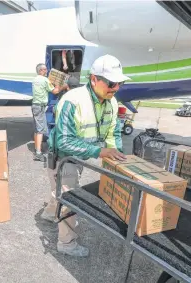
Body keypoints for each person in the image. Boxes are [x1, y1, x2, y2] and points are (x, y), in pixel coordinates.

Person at [41, 54, 129, 257]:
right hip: (63, 158)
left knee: (58, 190)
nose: (116, 88)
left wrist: (118, 157)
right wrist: (99, 151)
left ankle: (48, 213)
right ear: (94, 79)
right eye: (112, 83)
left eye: (120, 83)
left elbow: (112, 133)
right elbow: (64, 141)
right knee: (69, 198)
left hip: (79, 155)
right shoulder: (72, 100)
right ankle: (67, 243)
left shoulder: (112, 102)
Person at [32, 63, 67, 161]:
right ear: (41, 71)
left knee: (36, 129)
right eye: (45, 69)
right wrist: (62, 86)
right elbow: (55, 91)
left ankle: (36, 148)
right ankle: (38, 154)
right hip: (40, 106)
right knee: (41, 130)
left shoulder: (35, 79)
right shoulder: (44, 80)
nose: (47, 71)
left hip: (35, 105)